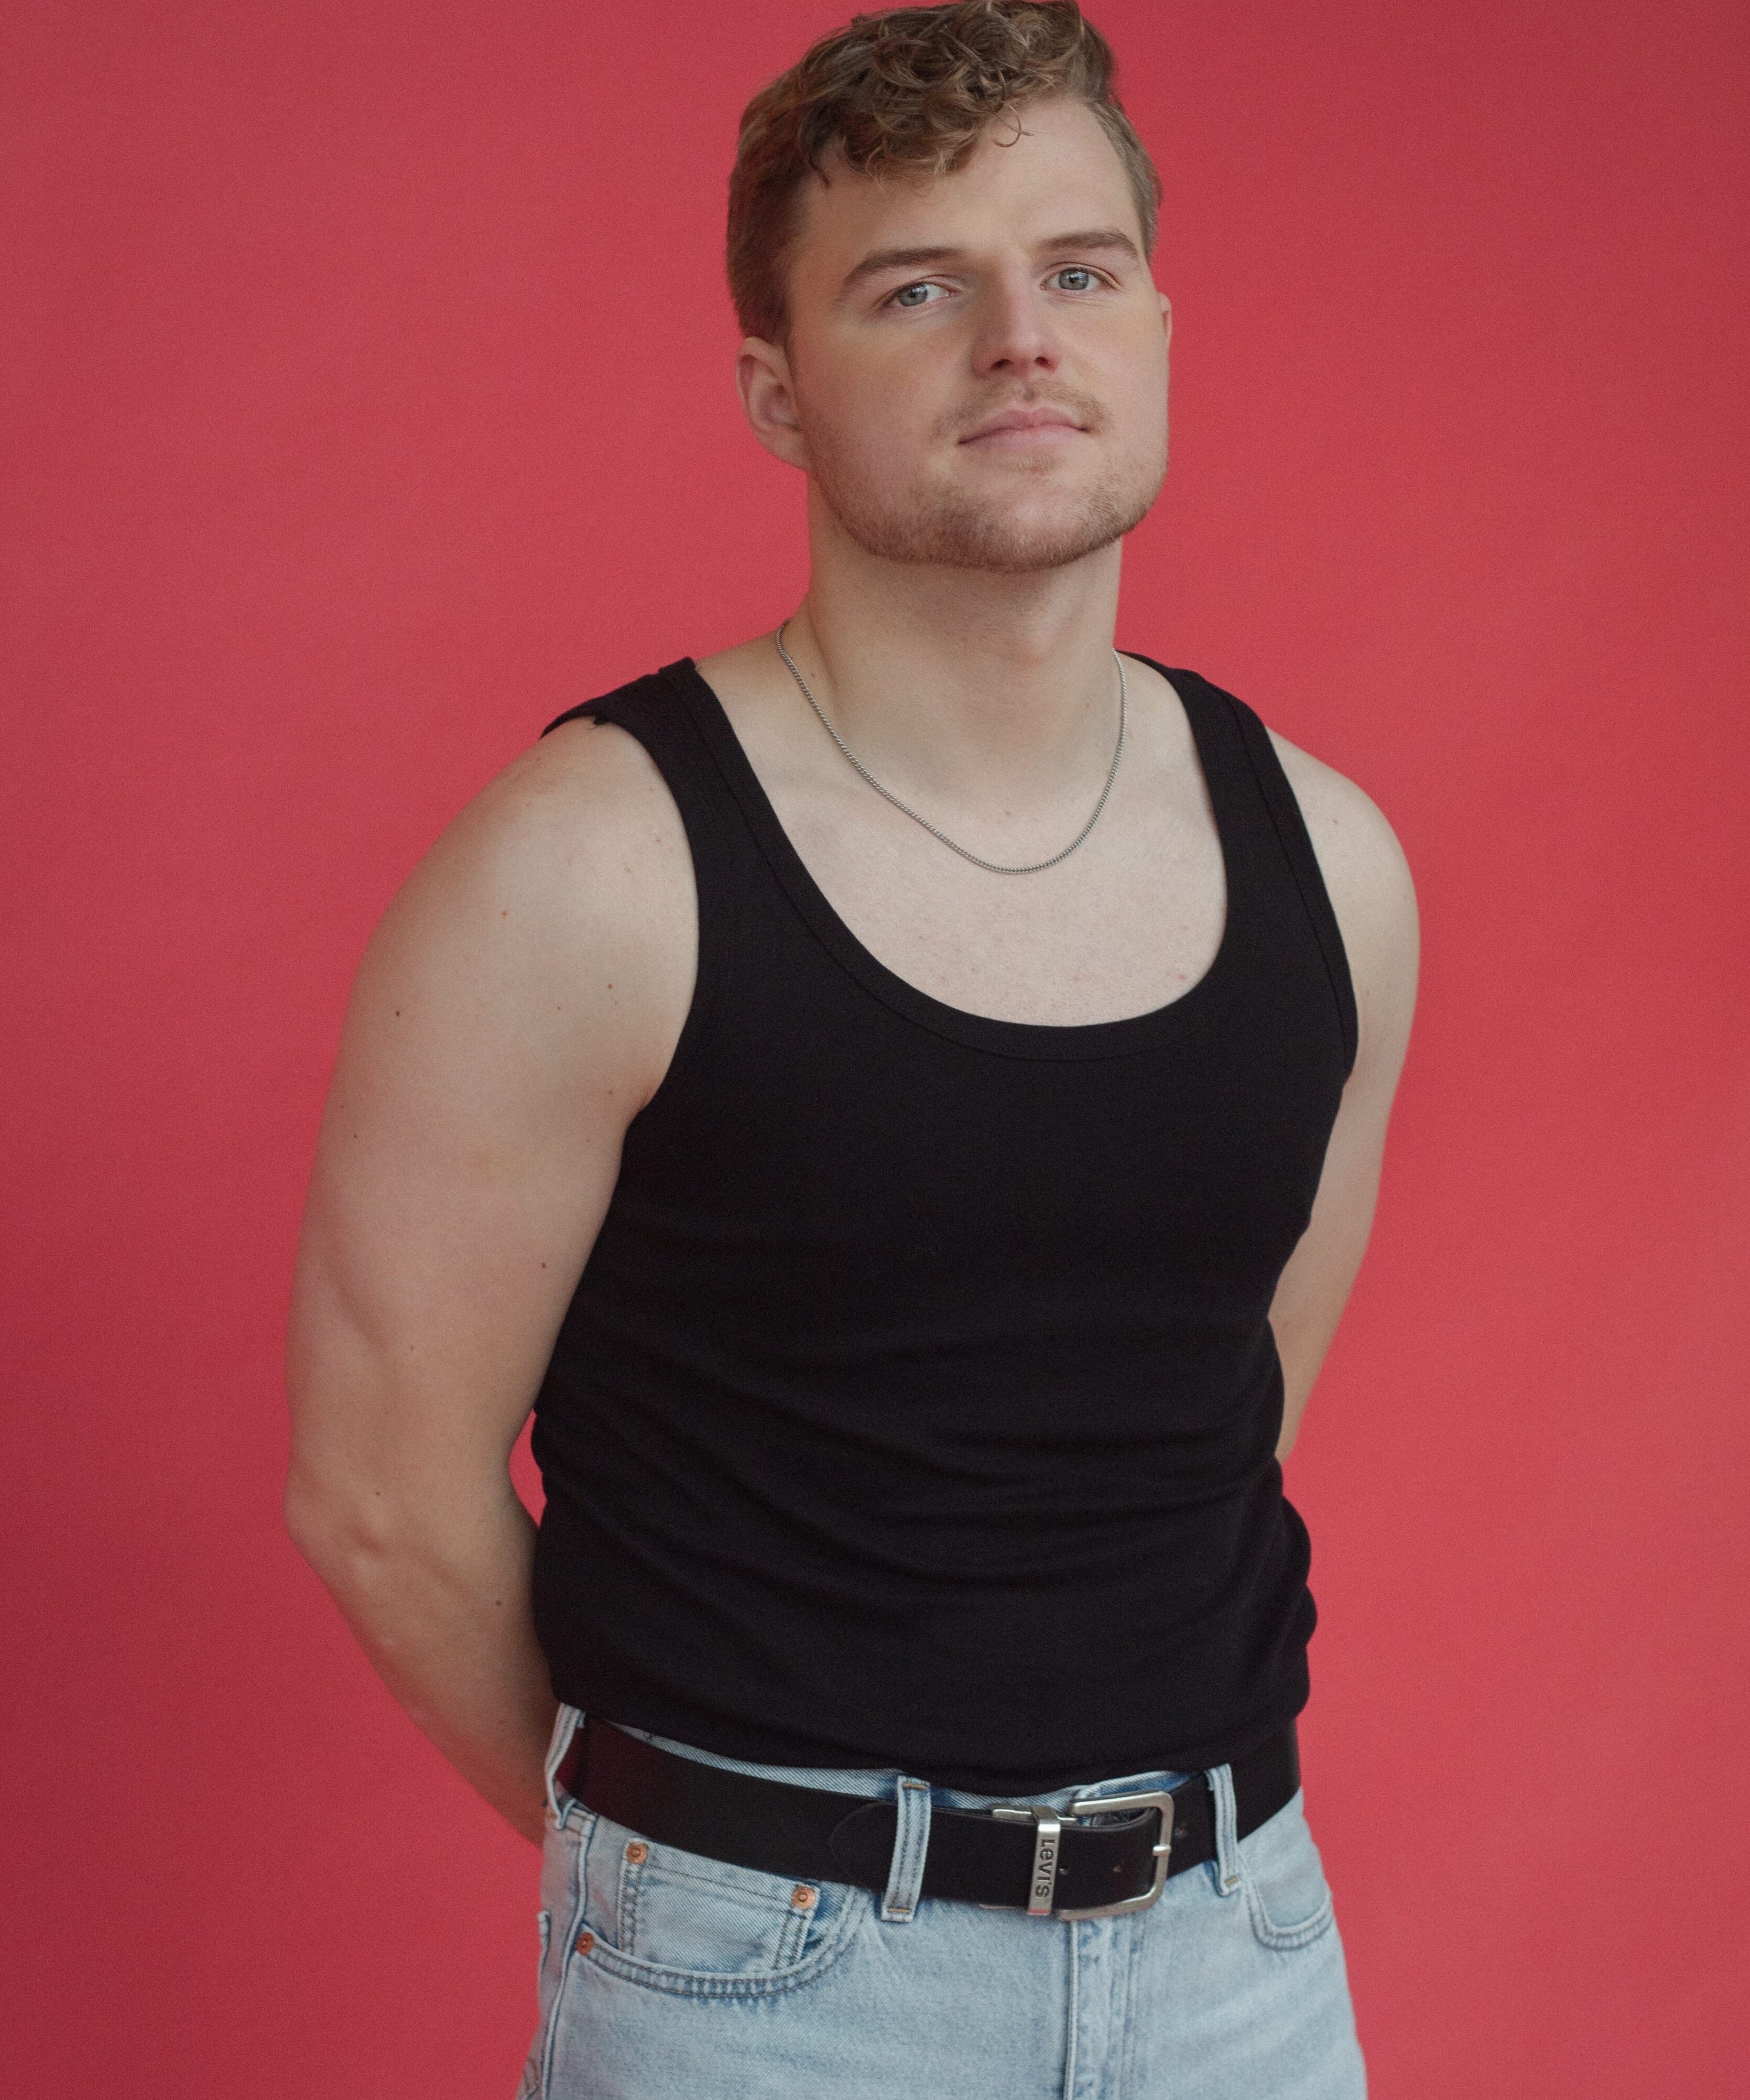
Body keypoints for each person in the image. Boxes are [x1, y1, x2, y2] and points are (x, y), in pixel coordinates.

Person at [285, 4, 1418, 2093]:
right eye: (916, 288)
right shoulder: (591, 872)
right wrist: (694, 1877)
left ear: (1156, 327)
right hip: (768, 1991)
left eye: (1077, 270)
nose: (1021, 340)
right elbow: (379, 1500)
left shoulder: (1330, 863)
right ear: (774, 389)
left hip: (1242, 1956)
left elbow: (1223, 1411)